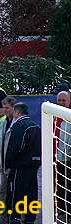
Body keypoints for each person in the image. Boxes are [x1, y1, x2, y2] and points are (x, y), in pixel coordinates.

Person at [5, 103, 41, 224]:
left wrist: (8, 163)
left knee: (16, 192)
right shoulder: (36, 126)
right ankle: (30, 218)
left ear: (17, 113)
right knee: (32, 192)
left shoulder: (19, 126)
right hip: (34, 164)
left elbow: (15, 147)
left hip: (20, 165)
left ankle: (14, 217)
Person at [0, 96, 17, 224]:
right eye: (3, 108)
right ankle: (2, 217)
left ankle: (14, 217)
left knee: (14, 192)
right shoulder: (3, 122)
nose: (5, 110)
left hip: (13, 166)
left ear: (14, 108)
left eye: (7, 108)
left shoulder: (17, 123)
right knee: (2, 192)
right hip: (2, 165)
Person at [55, 86, 71, 222]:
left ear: (69, 101)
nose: (61, 102)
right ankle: (60, 208)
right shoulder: (52, 116)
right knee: (58, 185)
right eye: (59, 100)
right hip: (55, 159)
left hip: (68, 159)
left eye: (64, 100)